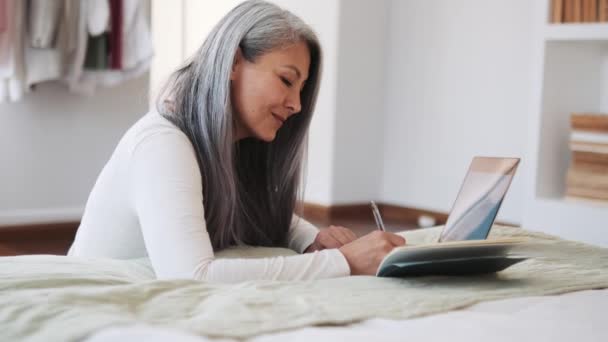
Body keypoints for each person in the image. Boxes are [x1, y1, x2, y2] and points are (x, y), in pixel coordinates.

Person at [68, 0, 406, 283]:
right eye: (287, 80)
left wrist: (311, 240)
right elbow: (192, 275)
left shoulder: (232, 144)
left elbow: (262, 213)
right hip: (92, 300)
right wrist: (342, 262)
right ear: (233, 62)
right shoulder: (162, 144)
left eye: (300, 89)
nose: (297, 104)